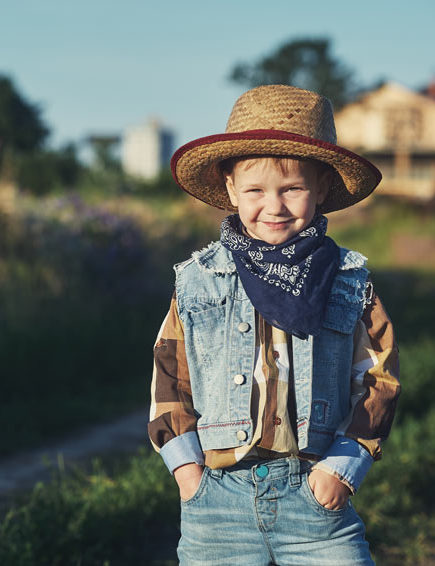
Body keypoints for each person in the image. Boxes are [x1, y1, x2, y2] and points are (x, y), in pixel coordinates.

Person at [148, 84, 401, 566]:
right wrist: (186, 471)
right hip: (217, 501)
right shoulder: (200, 279)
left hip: (314, 496)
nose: (275, 206)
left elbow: (377, 379)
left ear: (322, 187)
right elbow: (169, 376)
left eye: (293, 189)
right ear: (229, 190)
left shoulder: (347, 280)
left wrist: (343, 467)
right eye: (256, 191)